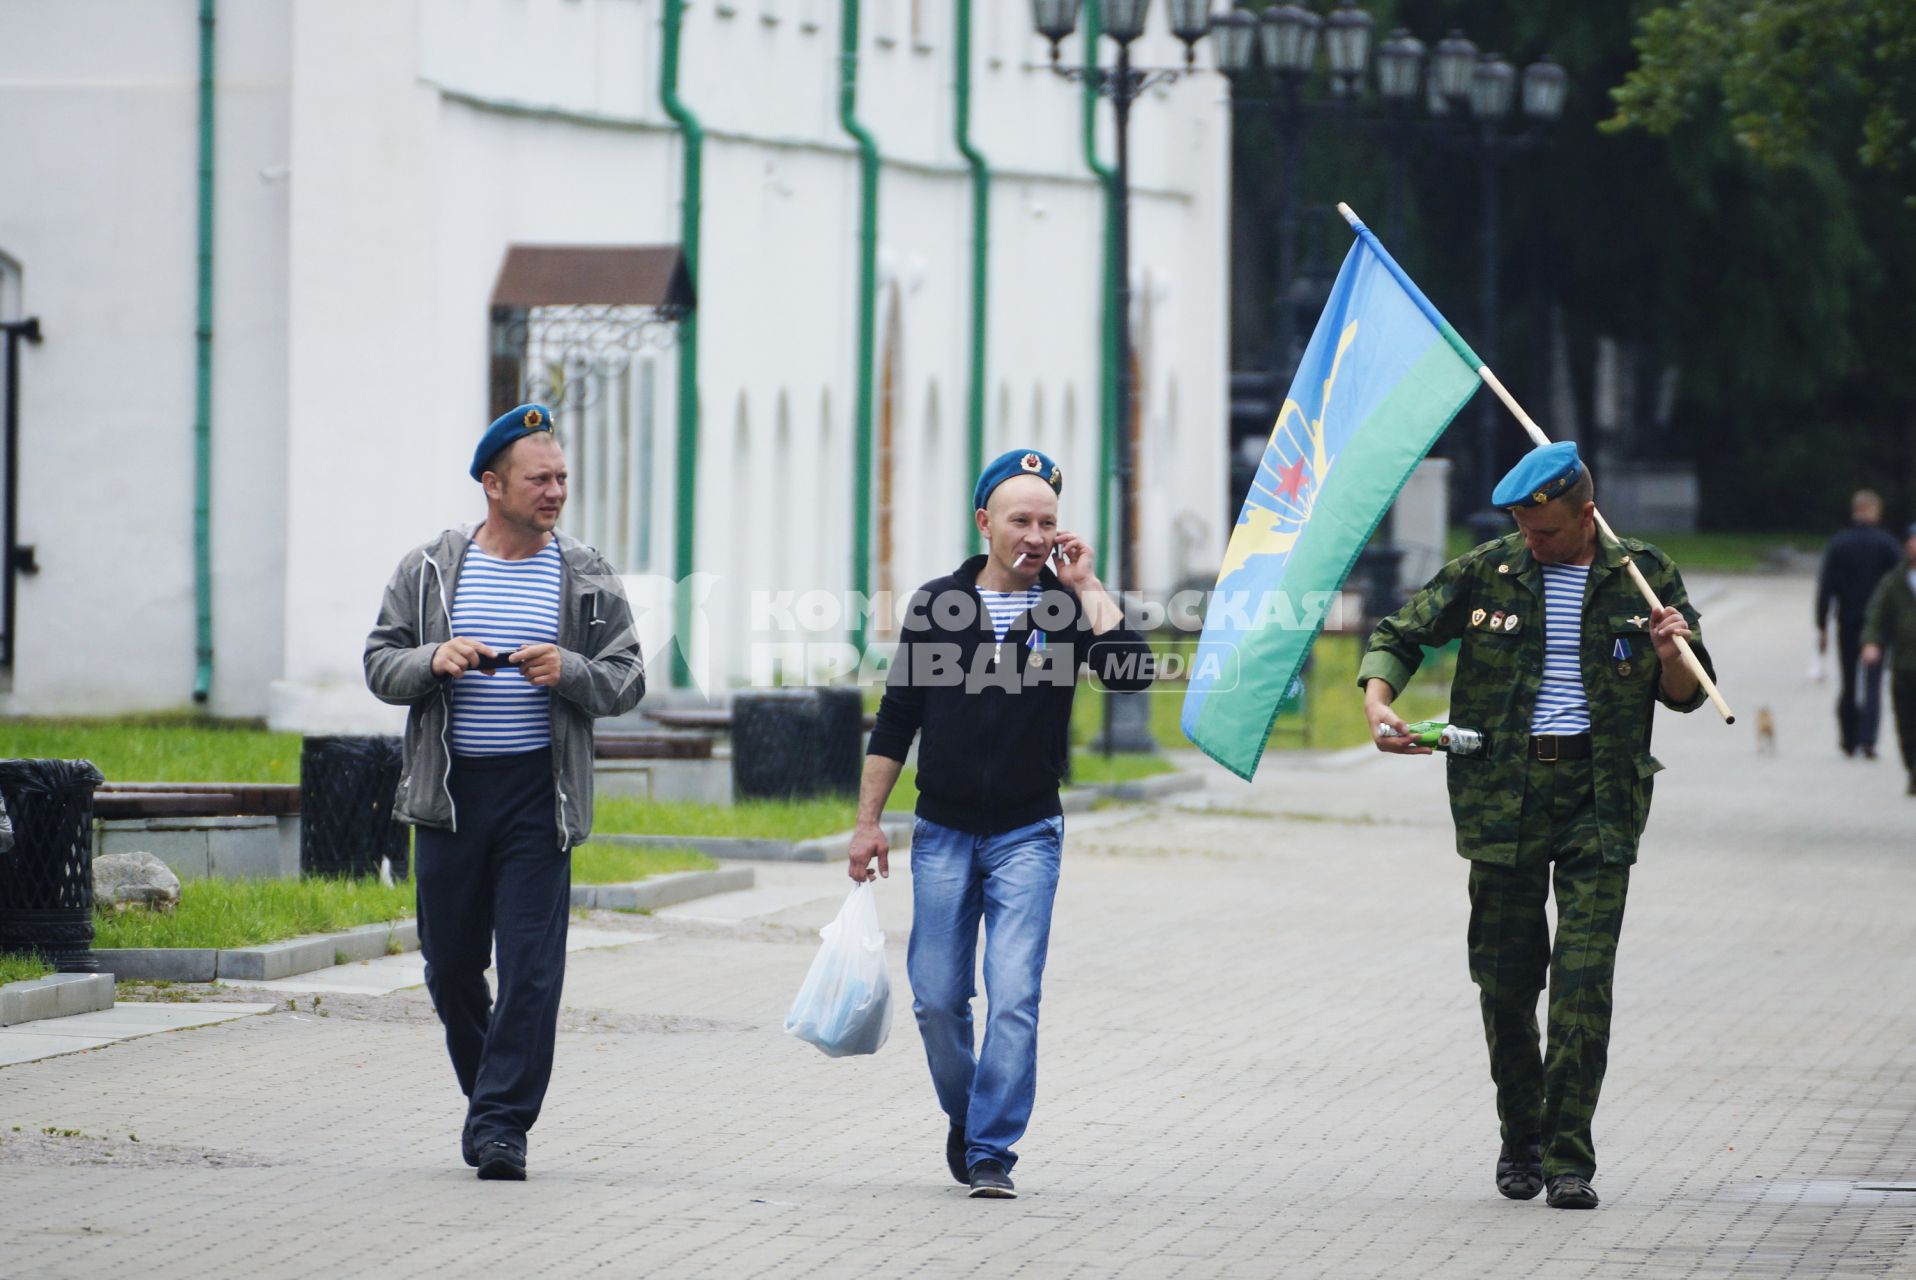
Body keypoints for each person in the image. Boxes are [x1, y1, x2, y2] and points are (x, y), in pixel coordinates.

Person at [1358, 441, 1715, 1212]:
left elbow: (1688, 693)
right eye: (1523, 526)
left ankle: (1568, 1158)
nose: (1534, 542)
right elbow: (1400, 631)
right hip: (1502, 798)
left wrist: (1669, 650)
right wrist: (1379, 701)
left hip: (1599, 796)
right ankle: (1520, 1136)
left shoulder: (1641, 574)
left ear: (1588, 513)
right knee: (1507, 984)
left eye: (1547, 529)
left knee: (1584, 987)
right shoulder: (1490, 570)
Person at [848, 448, 1154, 1200]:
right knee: (938, 998)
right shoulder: (935, 606)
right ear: (985, 522)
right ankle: (970, 1117)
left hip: (1027, 833)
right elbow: (896, 722)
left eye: (1048, 521)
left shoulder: (1067, 606)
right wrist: (867, 824)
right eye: (1021, 519)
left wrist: (1087, 587)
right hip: (944, 831)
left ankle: (991, 1150)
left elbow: (1131, 674)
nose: (1036, 534)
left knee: (1013, 994)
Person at [363, 403, 643, 1181]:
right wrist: (433, 659)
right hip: (451, 795)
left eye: (560, 477)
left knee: (532, 969)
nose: (554, 491)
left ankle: (501, 1126)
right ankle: (492, 1097)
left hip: (537, 796)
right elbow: (380, 663)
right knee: (452, 969)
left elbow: (628, 676)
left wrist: (573, 672)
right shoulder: (428, 570)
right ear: (493, 485)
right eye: (538, 478)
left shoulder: (584, 573)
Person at [1816, 490, 1902, 758]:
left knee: (1849, 681)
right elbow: (1899, 587)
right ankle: (1868, 739)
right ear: (1875, 511)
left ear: (1855, 511)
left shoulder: (1838, 544)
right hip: (1878, 626)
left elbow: (1825, 587)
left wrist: (1821, 625)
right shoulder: (1888, 545)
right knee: (1873, 683)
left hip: (1848, 620)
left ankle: (1848, 738)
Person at [1860, 522, 1916, 797]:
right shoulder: (1895, 580)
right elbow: (1877, 615)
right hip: (1904, 665)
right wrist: (1871, 642)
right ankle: (1912, 766)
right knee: (1906, 722)